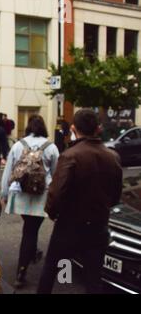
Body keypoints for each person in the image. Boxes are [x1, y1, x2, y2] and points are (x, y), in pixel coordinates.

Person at [37, 109, 123, 294]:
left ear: (74, 128)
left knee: (51, 270)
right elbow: (116, 196)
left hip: (69, 225)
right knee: (93, 278)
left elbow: (56, 193)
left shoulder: (70, 155)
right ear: (98, 129)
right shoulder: (113, 157)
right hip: (98, 226)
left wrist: (52, 213)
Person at [0, 115, 60, 289]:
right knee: (31, 230)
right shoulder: (51, 147)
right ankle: (21, 270)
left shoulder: (19, 145)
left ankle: (31, 255)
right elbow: (57, 174)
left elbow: (9, 170)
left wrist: (4, 193)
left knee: (29, 228)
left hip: (21, 196)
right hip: (42, 196)